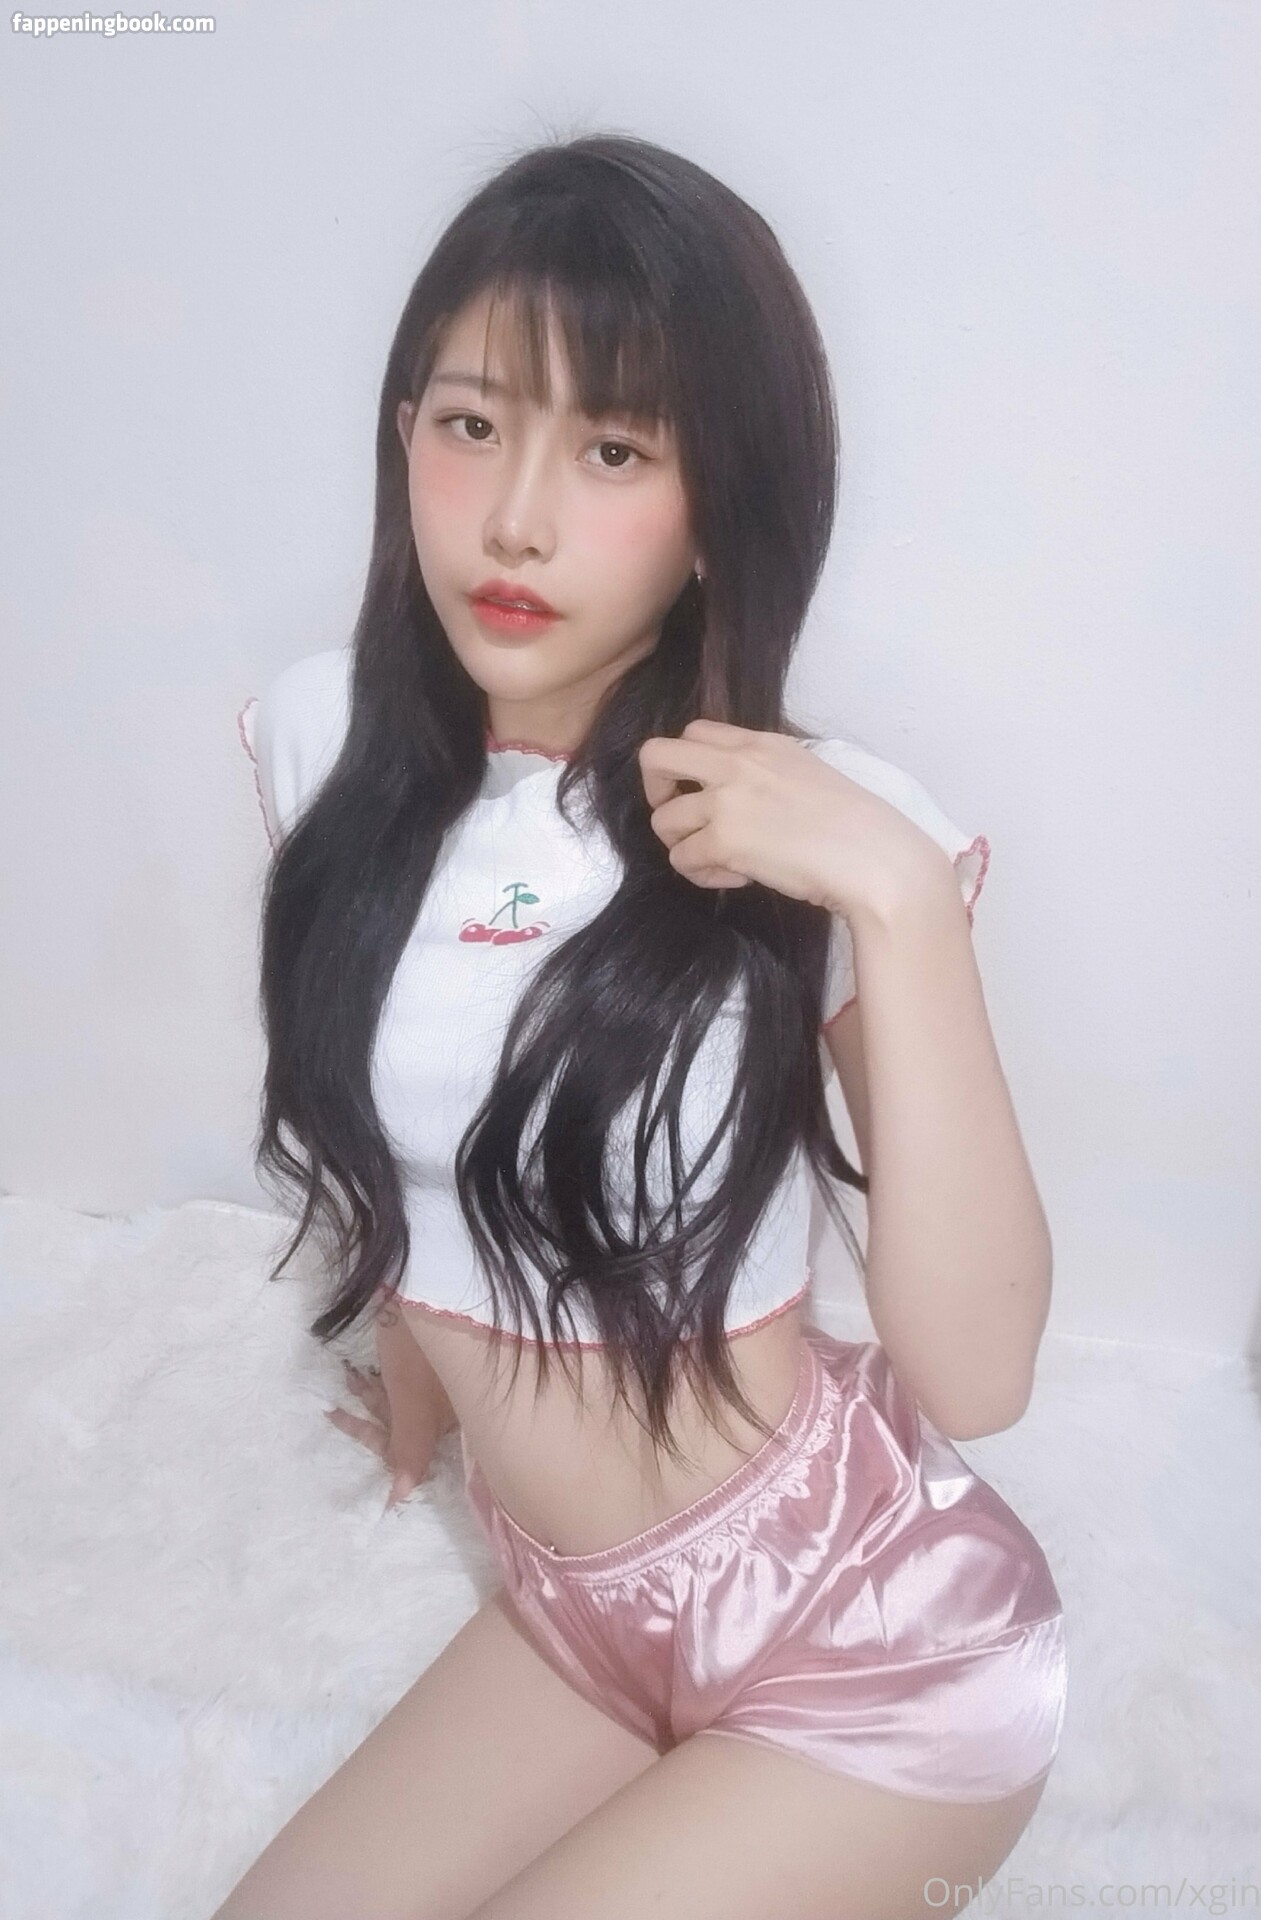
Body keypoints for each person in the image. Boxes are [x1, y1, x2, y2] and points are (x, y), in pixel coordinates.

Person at [213, 131, 1067, 1920]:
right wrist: (423, 1393)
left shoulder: (820, 830)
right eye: (471, 424)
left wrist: (900, 903)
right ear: (402, 436)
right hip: (573, 1606)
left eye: (612, 450)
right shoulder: (322, 744)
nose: (515, 519)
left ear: (713, 510)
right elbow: (410, 1103)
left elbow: (979, 1375)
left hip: (869, 1651)